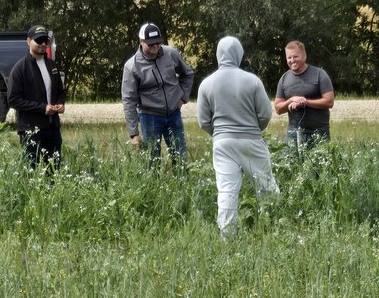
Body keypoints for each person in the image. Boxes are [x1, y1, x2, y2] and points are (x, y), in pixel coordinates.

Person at [197, 36, 279, 235]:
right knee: (266, 186)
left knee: (226, 191)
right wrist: (254, 129)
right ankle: (273, 227)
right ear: (240, 54)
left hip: (222, 144)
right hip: (251, 140)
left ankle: (227, 236)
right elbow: (266, 113)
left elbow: (203, 121)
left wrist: (218, 134)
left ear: (218, 54)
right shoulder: (252, 81)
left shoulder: (206, 84)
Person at [121, 22, 194, 161]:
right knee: (152, 160)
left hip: (174, 114)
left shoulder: (171, 53)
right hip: (149, 117)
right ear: (141, 42)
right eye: (150, 44)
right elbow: (129, 100)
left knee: (180, 157)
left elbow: (188, 74)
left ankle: (181, 181)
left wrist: (183, 98)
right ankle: (154, 182)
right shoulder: (131, 66)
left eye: (158, 43)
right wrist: (133, 133)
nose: (155, 47)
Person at [7, 25, 65, 169]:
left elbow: (60, 91)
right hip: (30, 129)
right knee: (32, 170)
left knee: (54, 170)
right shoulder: (20, 68)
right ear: (28, 41)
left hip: (53, 128)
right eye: (39, 41)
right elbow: (13, 99)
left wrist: (60, 104)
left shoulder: (52, 66)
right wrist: (42, 108)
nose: (43, 44)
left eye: (46, 41)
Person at [273, 40, 334, 150]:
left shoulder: (319, 74)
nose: (292, 60)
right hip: (293, 133)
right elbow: (278, 109)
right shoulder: (284, 79)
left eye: (295, 56)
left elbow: (329, 101)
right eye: (289, 58)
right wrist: (291, 100)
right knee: (291, 165)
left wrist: (305, 101)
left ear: (304, 56)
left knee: (321, 166)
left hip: (319, 132)